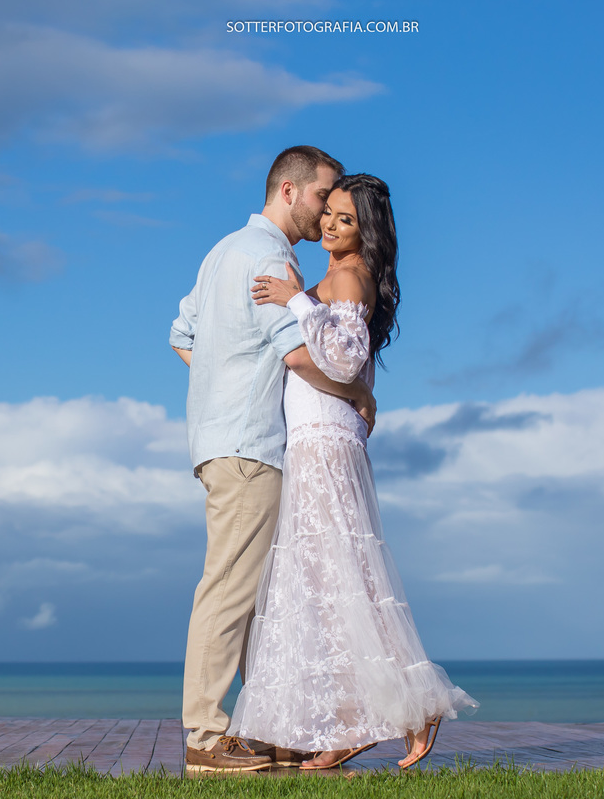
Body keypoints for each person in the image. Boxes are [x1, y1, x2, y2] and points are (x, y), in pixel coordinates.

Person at [229, 174, 477, 770]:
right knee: (329, 577)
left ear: (365, 230)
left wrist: (293, 299)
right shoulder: (347, 273)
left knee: (338, 574)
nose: (331, 227)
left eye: (345, 219)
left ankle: (392, 712)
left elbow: (343, 357)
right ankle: (351, 722)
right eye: (330, 215)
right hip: (320, 433)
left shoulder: (347, 274)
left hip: (322, 437)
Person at [169, 146, 377, 773]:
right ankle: (205, 739)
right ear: (290, 192)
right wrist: (358, 393)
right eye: (323, 196)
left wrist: (220, 381)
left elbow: (182, 336)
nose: (326, 212)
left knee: (256, 596)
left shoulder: (222, 251)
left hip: (221, 439)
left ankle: (270, 727)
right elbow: (301, 354)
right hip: (250, 445)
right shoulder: (268, 257)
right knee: (231, 590)